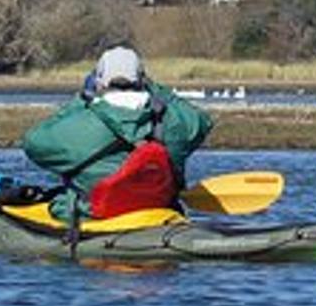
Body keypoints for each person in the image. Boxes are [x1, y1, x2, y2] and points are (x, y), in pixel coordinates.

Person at [22, 46, 214, 221]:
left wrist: (80, 100)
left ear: (99, 81)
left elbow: (33, 143)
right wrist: (155, 88)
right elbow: (202, 121)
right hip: (159, 213)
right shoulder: (174, 121)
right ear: (140, 79)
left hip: (93, 217)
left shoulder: (80, 123)